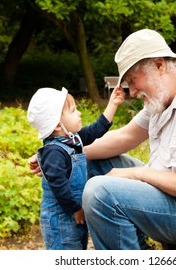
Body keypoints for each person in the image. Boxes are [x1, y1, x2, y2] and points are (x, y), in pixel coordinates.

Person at [29, 28, 176, 250]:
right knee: (89, 163)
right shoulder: (165, 93)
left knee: (100, 194)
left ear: (159, 65)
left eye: (132, 79)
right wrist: (61, 151)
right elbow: (126, 135)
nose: (131, 92)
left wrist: (135, 173)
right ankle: (72, 248)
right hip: (174, 197)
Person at [27, 85, 125, 250]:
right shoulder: (54, 152)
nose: (79, 113)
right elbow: (58, 186)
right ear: (58, 125)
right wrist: (75, 208)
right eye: (73, 111)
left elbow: (96, 130)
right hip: (61, 218)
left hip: (73, 213)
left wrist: (113, 104)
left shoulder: (72, 140)